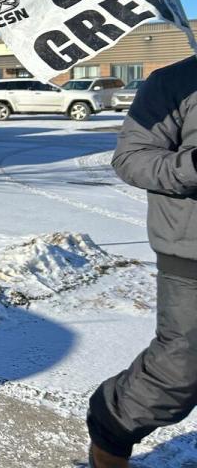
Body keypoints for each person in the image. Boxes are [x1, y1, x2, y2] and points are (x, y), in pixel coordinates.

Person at [87, 56, 197, 467]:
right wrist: (193, 166)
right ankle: (113, 420)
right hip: (190, 251)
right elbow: (131, 158)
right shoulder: (176, 82)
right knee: (179, 374)